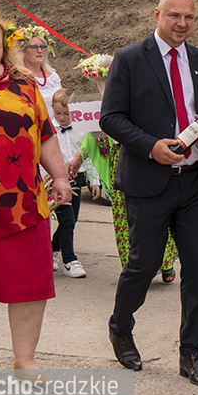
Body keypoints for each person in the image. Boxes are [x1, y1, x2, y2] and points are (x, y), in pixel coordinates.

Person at [100, 0, 198, 386]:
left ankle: (192, 353)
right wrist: (150, 147)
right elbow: (111, 118)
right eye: (174, 16)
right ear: (157, 14)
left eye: (189, 17)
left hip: (192, 183)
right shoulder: (130, 59)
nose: (182, 24)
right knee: (144, 264)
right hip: (148, 182)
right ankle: (121, 326)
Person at [0, 11, 71, 384]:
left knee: (28, 285)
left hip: (23, 202)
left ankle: (25, 360)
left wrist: (60, 176)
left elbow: (46, 133)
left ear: (4, 43)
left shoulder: (25, 86)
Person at [72, 54, 179, 283]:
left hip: (140, 159)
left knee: (154, 214)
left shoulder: (135, 95)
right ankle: (134, 267)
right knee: (123, 217)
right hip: (116, 166)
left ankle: (165, 262)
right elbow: (91, 139)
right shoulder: (93, 105)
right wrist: (78, 159)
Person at [50, 87, 99, 278]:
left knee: (72, 220)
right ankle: (70, 260)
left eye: (67, 114)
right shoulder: (49, 130)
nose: (62, 118)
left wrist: (94, 180)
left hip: (76, 178)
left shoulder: (82, 129)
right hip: (55, 179)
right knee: (67, 220)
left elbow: (88, 155)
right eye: (58, 113)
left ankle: (53, 248)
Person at [18, 25, 61, 113]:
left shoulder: (53, 77)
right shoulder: (18, 77)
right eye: (34, 47)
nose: (40, 50)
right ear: (23, 51)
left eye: (43, 47)